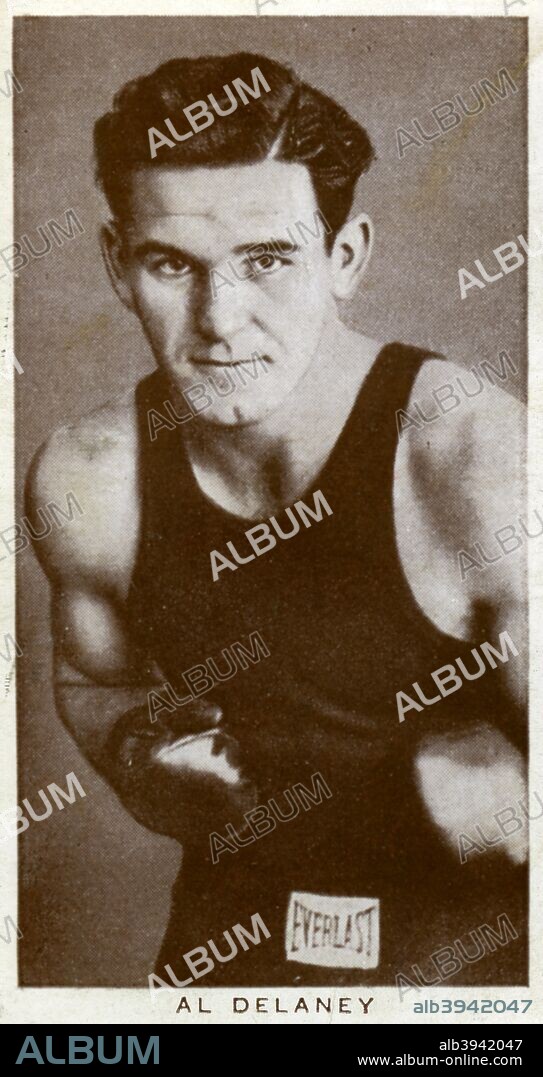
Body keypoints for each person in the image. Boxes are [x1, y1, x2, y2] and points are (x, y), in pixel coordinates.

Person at [27, 52, 527, 986]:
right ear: (116, 265)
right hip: (228, 953)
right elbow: (95, 682)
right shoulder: (88, 477)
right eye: (171, 263)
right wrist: (142, 756)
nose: (221, 320)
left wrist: (525, 803)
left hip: (474, 983)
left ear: (345, 258)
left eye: (268, 260)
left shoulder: (479, 464)